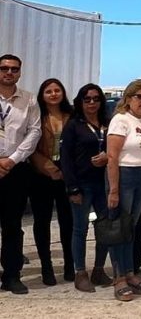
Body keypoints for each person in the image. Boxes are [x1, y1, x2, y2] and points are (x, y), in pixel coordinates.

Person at [106, 78, 141, 301]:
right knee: (119, 229)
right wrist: (114, 189)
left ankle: (130, 273)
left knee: (131, 230)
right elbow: (112, 157)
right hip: (124, 177)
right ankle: (119, 279)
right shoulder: (120, 120)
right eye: (140, 97)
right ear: (128, 99)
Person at [60, 83, 113, 292]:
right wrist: (72, 188)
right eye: (87, 99)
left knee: (105, 229)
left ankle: (99, 270)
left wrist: (108, 157)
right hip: (82, 184)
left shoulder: (108, 123)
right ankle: (80, 273)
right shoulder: (74, 125)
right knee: (80, 229)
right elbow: (65, 159)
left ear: (101, 101)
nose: (92, 102)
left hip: (105, 184)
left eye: (96, 99)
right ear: (80, 102)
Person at [0, 54, 41, 295]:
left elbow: (34, 133)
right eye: (4, 68)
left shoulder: (29, 100)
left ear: (20, 72)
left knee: (13, 225)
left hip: (15, 171)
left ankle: (12, 275)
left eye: (14, 69)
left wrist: (11, 161)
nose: (9, 72)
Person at [29, 78, 75, 285]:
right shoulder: (35, 115)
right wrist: (45, 166)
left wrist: (68, 168)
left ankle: (69, 264)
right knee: (42, 221)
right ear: (42, 95)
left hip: (66, 174)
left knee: (68, 221)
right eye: (49, 91)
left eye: (57, 90)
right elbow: (28, 145)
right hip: (41, 174)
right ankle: (47, 267)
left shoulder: (72, 115)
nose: (54, 94)